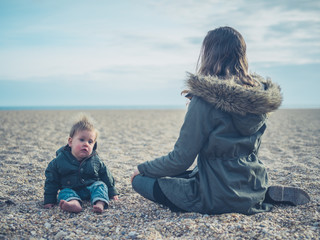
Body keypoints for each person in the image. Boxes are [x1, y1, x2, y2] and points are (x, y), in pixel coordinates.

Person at [131, 26, 310, 215]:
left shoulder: (204, 100)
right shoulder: (258, 99)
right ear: (242, 55)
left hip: (215, 195)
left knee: (140, 180)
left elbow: (181, 159)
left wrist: (142, 169)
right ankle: (258, 195)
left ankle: (236, 200)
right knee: (187, 174)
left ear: (209, 54)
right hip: (253, 182)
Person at [44, 114, 119, 213]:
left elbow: (106, 175)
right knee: (64, 192)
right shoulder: (59, 161)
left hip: (91, 188)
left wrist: (112, 192)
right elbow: (51, 181)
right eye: (82, 140)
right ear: (70, 142)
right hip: (71, 189)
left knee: (101, 185)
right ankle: (74, 204)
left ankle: (99, 204)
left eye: (90, 142)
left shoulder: (95, 160)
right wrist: (49, 200)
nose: (86, 144)